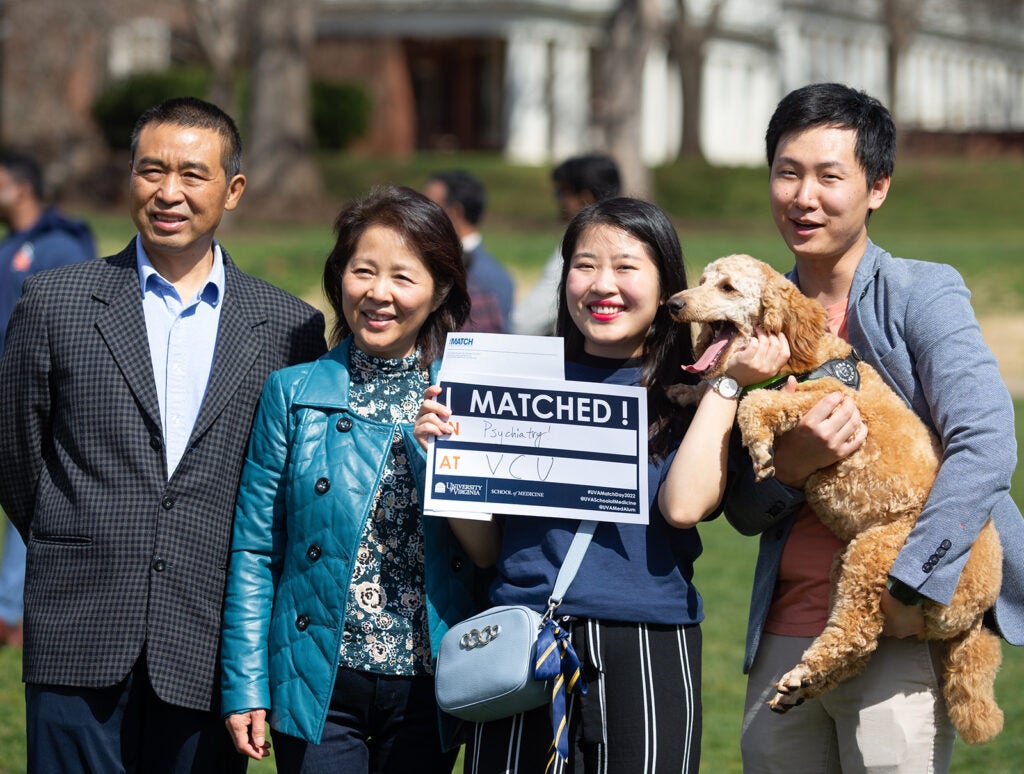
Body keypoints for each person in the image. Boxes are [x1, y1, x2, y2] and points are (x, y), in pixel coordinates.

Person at [0, 97, 326, 773]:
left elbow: (287, 487)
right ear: (129, 178)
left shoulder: (287, 327)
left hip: (210, 637)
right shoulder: (56, 303)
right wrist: (80, 530)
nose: (168, 192)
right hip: (78, 625)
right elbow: (15, 456)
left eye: (192, 174)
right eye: (151, 171)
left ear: (233, 189)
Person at [416, 197, 788, 773]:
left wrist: (727, 385)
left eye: (626, 266)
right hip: (524, 642)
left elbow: (685, 505)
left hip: (648, 643)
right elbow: (490, 549)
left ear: (667, 283)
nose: (602, 284)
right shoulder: (512, 378)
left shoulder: (698, 395)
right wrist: (448, 462)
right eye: (585, 265)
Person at [724, 82, 1024, 773]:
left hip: (900, 633)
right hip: (785, 632)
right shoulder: (753, 309)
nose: (804, 197)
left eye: (830, 176)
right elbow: (738, 510)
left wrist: (908, 585)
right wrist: (791, 469)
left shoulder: (921, 293)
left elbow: (986, 443)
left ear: (876, 187)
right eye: (788, 172)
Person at [220, 186, 479, 773]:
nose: (378, 294)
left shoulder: (465, 397)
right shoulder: (292, 393)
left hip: (430, 684)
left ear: (440, 291)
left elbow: (490, 549)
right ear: (340, 278)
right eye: (363, 271)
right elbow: (257, 549)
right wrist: (246, 684)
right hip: (317, 677)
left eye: (403, 278)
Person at [0, 149, 96, 648]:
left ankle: (14, 613)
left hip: (46, 396)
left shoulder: (59, 246)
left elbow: (80, 327)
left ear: (19, 186)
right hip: (8, 390)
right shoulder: (10, 247)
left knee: (33, 492)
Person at [510, 153, 621, 336]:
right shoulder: (636, 242)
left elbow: (524, 322)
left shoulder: (579, 248)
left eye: (561, 192)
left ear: (585, 199)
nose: (558, 200)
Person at [425, 169, 515, 333]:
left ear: (455, 212)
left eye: (429, 208)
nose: (420, 216)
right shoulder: (493, 272)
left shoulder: (485, 276)